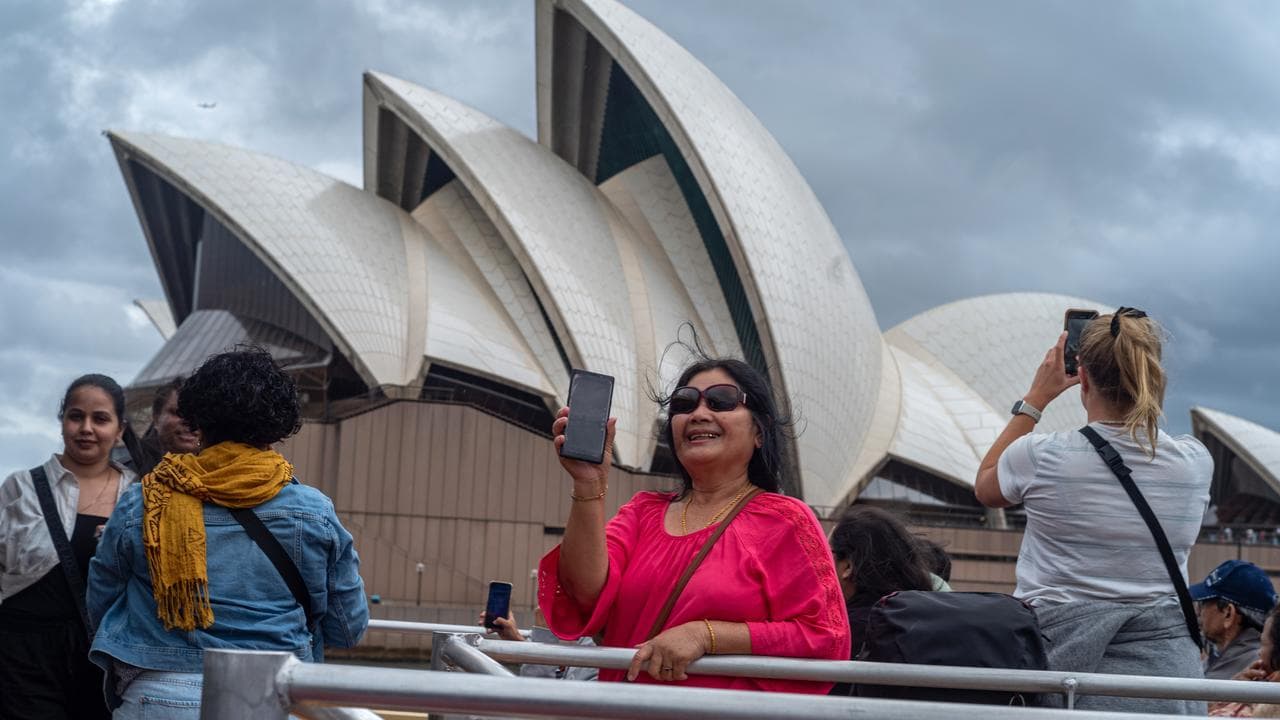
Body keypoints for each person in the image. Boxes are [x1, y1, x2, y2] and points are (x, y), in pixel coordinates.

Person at [537, 358, 850, 693]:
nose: (699, 413)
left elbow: (827, 638)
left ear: (759, 431)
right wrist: (588, 485)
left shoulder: (785, 521)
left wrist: (706, 635)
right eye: (684, 403)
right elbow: (584, 595)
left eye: (721, 400)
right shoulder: (642, 512)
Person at [87, 348, 369, 716]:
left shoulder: (146, 500)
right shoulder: (313, 513)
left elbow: (102, 601)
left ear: (197, 420)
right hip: (272, 699)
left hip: (156, 697)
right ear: (278, 424)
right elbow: (347, 629)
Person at [975, 308, 1212, 715]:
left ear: (1082, 377)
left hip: (1064, 677)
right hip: (1167, 686)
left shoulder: (1042, 456)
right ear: (1152, 376)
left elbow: (986, 486)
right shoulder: (1195, 462)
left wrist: (1036, 399)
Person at [0, 374, 140, 719]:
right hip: (22, 651)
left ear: (119, 430)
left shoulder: (139, 496)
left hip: (102, 655)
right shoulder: (21, 487)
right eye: (76, 416)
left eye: (101, 419)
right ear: (62, 421)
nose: (86, 428)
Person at [826, 505, 933, 696]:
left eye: (826, 554)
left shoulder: (842, 633)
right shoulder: (921, 618)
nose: (820, 563)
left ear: (848, 566)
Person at [1193, 560, 1278, 680]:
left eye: (1203, 604)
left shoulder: (1259, 669)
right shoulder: (1220, 655)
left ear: (1228, 613)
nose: (1198, 612)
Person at [480, 608, 598, 680]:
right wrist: (517, 639)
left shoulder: (602, 643)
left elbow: (537, 702)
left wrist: (544, 636)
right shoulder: (593, 638)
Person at [1211, 605, 1280, 717]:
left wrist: (1234, 695)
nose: (1258, 653)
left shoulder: (1259, 709)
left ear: (1228, 613)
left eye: (1262, 643)